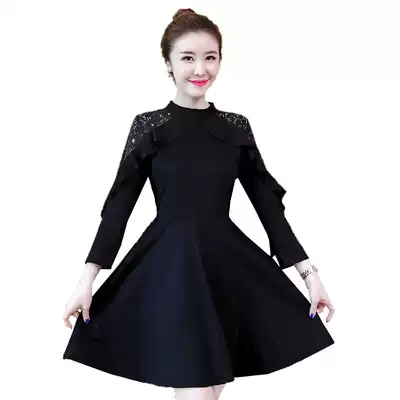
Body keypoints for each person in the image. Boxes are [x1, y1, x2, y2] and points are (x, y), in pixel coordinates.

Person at [62, 8, 335, 400]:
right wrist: (86, 282)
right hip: (170, 271)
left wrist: (310, 276)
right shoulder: (148, 127)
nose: (200, 69)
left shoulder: (235, 128)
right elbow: (118, 207)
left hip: (225, 272)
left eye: (210, 57)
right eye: (187, 57)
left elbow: (269, 208)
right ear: (168, 63)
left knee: (209, 390)